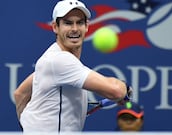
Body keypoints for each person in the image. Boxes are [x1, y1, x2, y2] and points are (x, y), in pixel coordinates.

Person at [14, 0, 132, 132]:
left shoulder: (51, 60)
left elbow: (20, 94)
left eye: (80, 22)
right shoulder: (60, 61)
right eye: (68, 23)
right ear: (55, 27)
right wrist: (124, 87)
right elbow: (116, 91)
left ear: (87, 26)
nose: (74, 29)